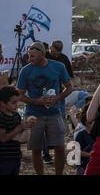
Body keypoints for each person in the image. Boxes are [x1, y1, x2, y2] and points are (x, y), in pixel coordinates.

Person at [16, 42, 73, 175]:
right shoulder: (26, 70)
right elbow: (19, 94)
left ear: (42, 53)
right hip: (33, 114)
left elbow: (69, 87)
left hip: (54, 112)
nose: (29, 58)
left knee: (59, 147)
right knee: (36, 149)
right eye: (28, 55)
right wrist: (35, 101)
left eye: (32, 55)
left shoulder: (58, 66)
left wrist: (58, 98)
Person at [0, 86, 36, 175]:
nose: (16, 105)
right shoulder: (1, 117)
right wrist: (20, 128)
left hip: (15, 157)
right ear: (2, 103)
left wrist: (27, 126)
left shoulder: (16, 116)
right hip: (3, 159)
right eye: (13, 103)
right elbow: (3, 138)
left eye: (17, 102)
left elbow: (19, 137)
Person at [73, 103, 94, 175]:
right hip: (82, 166)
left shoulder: (92, 134)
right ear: (87, 123)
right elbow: (76, 151)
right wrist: (89, 154)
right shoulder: (80, 134)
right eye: (93, 122)